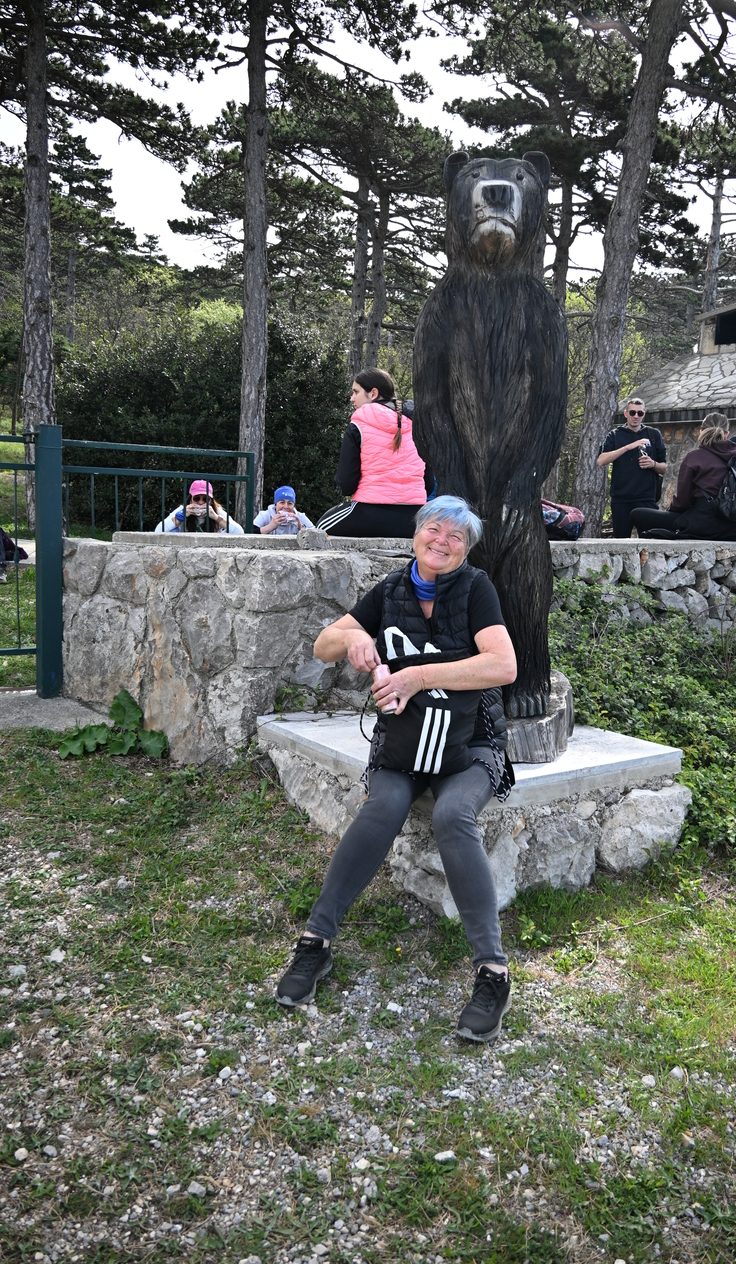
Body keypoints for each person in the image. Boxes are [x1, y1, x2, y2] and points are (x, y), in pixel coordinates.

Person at [275, 495, 518, 1043]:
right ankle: (315, 941)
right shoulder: (390, 590)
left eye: (456, 536)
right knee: (381, 807)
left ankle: (492, 971)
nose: (442, 541)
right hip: (404, 744)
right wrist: (355, 636)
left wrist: (418, 676)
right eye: (435, 529)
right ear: (416, 532)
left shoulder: (476, 589)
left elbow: (503, 665)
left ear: (466, 549)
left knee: (453, 815)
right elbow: (323, 645)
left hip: (471, 745)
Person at [316, 368, 430, 538]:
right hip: (414, 519)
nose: (352, 398)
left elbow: (347, 484)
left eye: (356, 392)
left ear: (373, 393)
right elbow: (429, 482)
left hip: (369, 514)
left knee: (320, 528)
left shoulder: (358, 424)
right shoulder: (419, 424)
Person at [629, 412, 736, 540]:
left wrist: (672, 511)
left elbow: (682, 501)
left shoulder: (694, 457)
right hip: (734, 528)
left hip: (702, 524)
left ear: (701, 431)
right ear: (727, 434)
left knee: (637, 514)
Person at [596, 398, 667, 537]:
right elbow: (601, 460)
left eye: (640, 413)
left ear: (644, 414)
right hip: (621, 499)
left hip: (646, 499)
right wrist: (628, 447)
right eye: (632, 412)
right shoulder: (615, 434)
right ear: (626, 413)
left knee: (650, 541)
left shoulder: (653, 434)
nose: (636, 416)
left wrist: (653, 464)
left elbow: (664, 468)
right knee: (621, 542)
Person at [154, 480, 244, 534]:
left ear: (210, 501)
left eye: (205, 499)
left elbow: (239, 532)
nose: (201, 502)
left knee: (228, 531)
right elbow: (158, 530)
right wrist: (180, 517)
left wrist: (216, 518)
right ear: (190, 499)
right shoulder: (183, 510)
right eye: (197, 498)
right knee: (172, 529)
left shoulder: (216, 510)